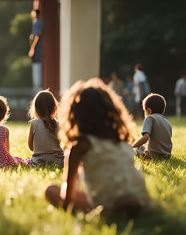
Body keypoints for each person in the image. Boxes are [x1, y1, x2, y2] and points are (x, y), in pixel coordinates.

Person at [45, 78, 149, 216]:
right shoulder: (119, 140)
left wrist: (68, 206)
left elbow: (68, 195)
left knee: (51, 190)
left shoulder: (79, 146)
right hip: (139, 196)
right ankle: (129, 203)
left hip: (106, 202)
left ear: (76, 115)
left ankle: (113, 207)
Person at [27, 90, 64, 165]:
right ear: (55, 109)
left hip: (38, 161)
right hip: (58, 161)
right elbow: (58, 142)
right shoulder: (58, 124)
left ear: (35, 109)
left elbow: (31, 147)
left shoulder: (34, 124)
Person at [133, 93, 172, 159]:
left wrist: (132, 146)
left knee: (137, 148)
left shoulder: (149, 118)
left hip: (152, 155)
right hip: (167, 156)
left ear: (148, 110)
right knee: (143, 147)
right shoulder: (167, 122)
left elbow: (146, 138)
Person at [28, 8, 44, 92]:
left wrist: (32, 48)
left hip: (37, 50)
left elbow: (37, 35)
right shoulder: (35, 22)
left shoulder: (39, 22)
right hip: (36, 49)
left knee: (38, 67)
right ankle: (36, 87)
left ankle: (38, 88)